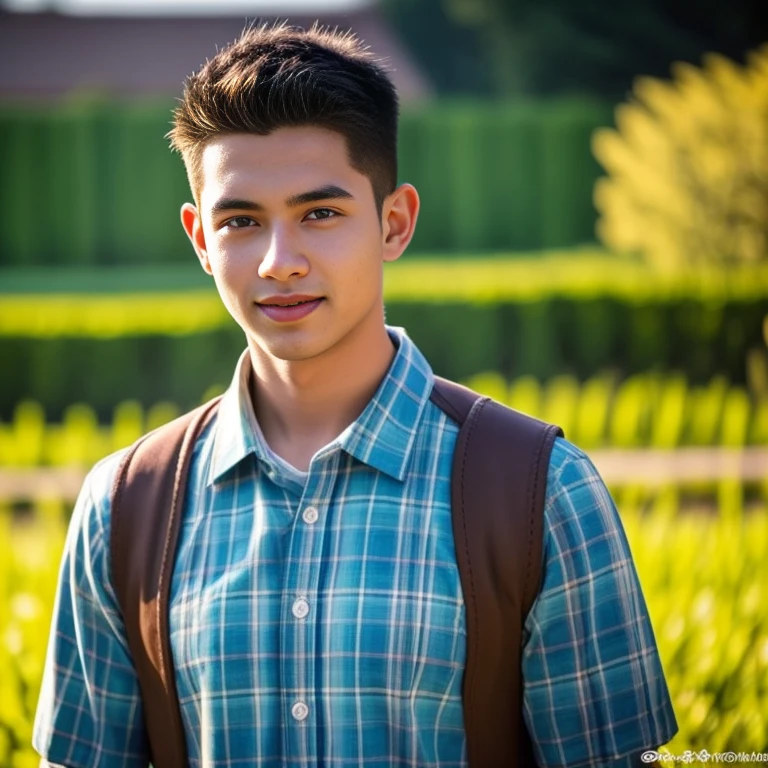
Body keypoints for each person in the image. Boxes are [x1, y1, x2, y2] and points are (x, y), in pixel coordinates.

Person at [33, 21, 677, 768]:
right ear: (202, 242)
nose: (279, 262)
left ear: (394, 222)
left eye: (321, 214)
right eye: (241, 221)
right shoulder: (125, 507)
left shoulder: (541, 490)